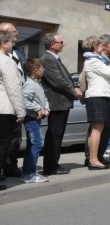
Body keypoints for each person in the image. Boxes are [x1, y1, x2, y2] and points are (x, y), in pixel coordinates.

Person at [83, 34, 110, 170]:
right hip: (97, 96)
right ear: (95, 47)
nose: (102, 47)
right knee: (96, 129)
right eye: (100, 45)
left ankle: (96, 157)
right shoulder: (92, 61)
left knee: (101, 129)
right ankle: (93, 160)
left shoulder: (99, 60)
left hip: (104, 96)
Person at [40, 32, 80, 175]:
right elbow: (58, 81)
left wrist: (74, 87)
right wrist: (74, 91)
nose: (63, 44)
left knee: (58, 134)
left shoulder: (55, 58)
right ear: (52, 44)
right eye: (60, 42)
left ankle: (53, 164)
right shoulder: (48, 59)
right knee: (54, 135)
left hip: (61, 102)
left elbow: (65, 79)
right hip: (56, 102)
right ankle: (51, 166)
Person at [0, 29, 25, 189]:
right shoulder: (6, 60)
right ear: (3, 43)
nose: (12, 46)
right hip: (3, 109)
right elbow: (13, 88)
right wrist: (21, 111)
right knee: (2, 144)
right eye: (11, 43)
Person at [21, 59, 50, 183]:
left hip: (35, 117)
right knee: (37, 143)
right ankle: (29, 174)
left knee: (33, 144)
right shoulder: (29, 84)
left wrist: (46, 108)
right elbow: (24, 100)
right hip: (31, 118)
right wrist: (38, 108)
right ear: (35, 71)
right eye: (42, 69)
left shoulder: (36, 82)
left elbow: (43, 98)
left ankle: (27, 172)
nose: (43, 71)